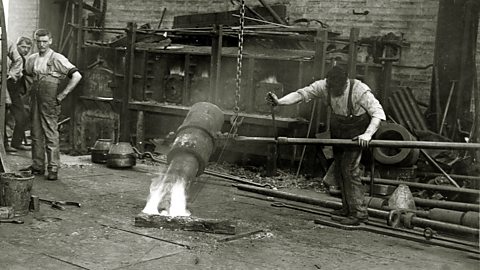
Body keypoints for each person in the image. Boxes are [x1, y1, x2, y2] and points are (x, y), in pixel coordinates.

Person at [266, 66, 385, 226]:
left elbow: (378, 113)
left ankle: (359, 213)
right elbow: (302, 94)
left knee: (349, 170)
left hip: (357, 131)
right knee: (339, 169)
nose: (335, 91)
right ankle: (347, 208)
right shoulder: (324, 86)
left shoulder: (359, 90)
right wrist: (280, 102)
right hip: (338, 128)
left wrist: (368, 134)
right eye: (332, 87)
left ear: (345, 84)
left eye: (339, 88)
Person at [22, 29, 82, 180]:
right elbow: (27, 75)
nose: (41, 45)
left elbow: (76, 76)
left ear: (50, 41)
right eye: (38, 41)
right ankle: (37, 166)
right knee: (35, 133)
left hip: (49, 100)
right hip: (35, 98)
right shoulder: (32, 58)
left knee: (50, 133)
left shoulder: (57, 58)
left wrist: (62, 94)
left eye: (44, 41)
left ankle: (53, 168)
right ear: (35, 41)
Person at [4, 37, 33, 152]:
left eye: (28, 48)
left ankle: (16, 142)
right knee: (3, 119)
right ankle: (5, 144)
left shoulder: (23, 60)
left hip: (15, 92)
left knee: (22, 116)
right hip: (6, 89)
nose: (25, 50)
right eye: (23, 47)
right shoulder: (10, 59)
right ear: (16, 46)